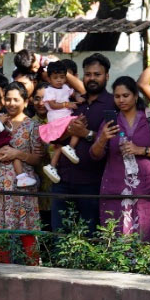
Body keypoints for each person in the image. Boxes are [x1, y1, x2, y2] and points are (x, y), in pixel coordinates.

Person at [91, 76, 150, 240]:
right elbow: (95, 155)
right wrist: (102, 139)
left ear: (136, 96)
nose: (121, 100)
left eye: (125, 95)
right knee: (116, 233)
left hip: (146, 188)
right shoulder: (110, 122)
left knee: (145, 234)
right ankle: (118, 266)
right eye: (117, 96)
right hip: (116, 187)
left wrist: (141, 150)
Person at [0, 82, 44, 260]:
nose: (11, 103)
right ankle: (3, 276)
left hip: (22, 187)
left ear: (26, 102)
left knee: (26, 231)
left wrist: (18, 154)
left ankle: (33, 273)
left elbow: (38, 159)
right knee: (0, 234)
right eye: (8, 99)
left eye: (16, 99)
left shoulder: (33, 126)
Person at [50, 53, 115, 233]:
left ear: (107, 76)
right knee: (59, 236)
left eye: (97, 74)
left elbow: (116, 140)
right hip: (62, 179)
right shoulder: (74, 103)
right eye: (88, 74)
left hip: (91, 182)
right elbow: (55, 136)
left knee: (89, 237)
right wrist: (68, 131)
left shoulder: (112, 104)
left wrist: (86, 133)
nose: (92, 78)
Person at [39, 60, 86, 184]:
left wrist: (77, 98)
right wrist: (67, 104)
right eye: (55, 78)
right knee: (77, 123)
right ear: (49, 79)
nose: (59, 80)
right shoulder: (49, 91)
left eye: (62, 77)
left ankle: (52, 166)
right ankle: (71, 147)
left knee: (59, 146)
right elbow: (53, 105)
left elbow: (74, 92)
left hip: (65, 117)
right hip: (57, 120)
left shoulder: (65, 87)